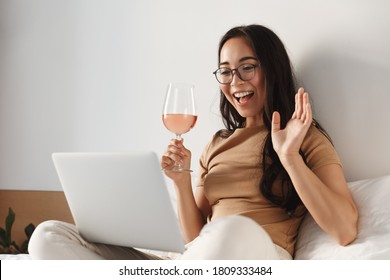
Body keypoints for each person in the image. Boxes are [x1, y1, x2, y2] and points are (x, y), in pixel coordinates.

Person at [28, 24, 358, 260]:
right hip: (201, 259)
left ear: (272, 70)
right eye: (226, 72)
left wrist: (289, 157)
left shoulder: (304, 136)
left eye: (247, 68)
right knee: (48, 236)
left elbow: (344, 230)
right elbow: (194, 238)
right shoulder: (216, 144)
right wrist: (181, 181)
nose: (235, 81)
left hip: (258, 256)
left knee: (231, 230)